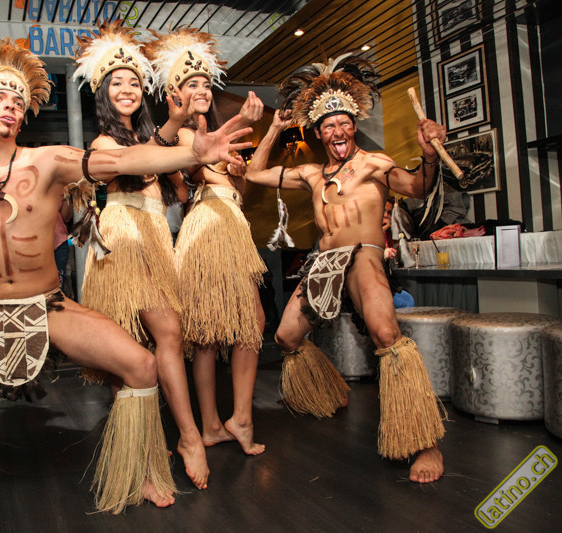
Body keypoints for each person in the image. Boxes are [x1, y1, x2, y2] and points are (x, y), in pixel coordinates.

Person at [0, 36, 252, 526]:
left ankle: (141, 469)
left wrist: (190, 153)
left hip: (49, 306)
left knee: (142, 366)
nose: (10, 106)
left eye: (17, 100)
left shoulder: (48, 161)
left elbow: (121, 162)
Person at [244, 53, 446, 483]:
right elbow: (254, 173)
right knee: (285, 337)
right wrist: (275, 129)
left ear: (353, 126)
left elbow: (418, 186)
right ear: (318, 133)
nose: (337, 131)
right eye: (329, 126)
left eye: (344, 123)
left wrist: (428, 156)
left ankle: (426, 442)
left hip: (365, 255)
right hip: (324, 262)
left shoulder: (374, 165)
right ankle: (331, 390)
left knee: (387, 336)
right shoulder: (311, 174)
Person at [73, 22, 209, 489]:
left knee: (151, 338)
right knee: (153, 336)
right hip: (124, 239)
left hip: (154, 238)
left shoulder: (149, 140)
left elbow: (178, 183)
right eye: (117, 83)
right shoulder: (104, 143)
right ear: (103, 94)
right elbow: (141, 160)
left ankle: (146, 443)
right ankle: (182, 438)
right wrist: (173, 126)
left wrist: (188, 147)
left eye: (134, 82)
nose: (127, 89)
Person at [145, 28, 266, 456]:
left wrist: (240, 165)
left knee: (224, 328)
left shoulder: (216, 133)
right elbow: (180, 156)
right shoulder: (182, 133)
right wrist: (240, 127)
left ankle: (219, 423)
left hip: (229, 222)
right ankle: (229, 420)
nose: (201, 89)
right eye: (190, 83)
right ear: (175, 93)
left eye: (205, 83)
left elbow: (239, 189)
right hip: (209, 228)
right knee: (221, 328)